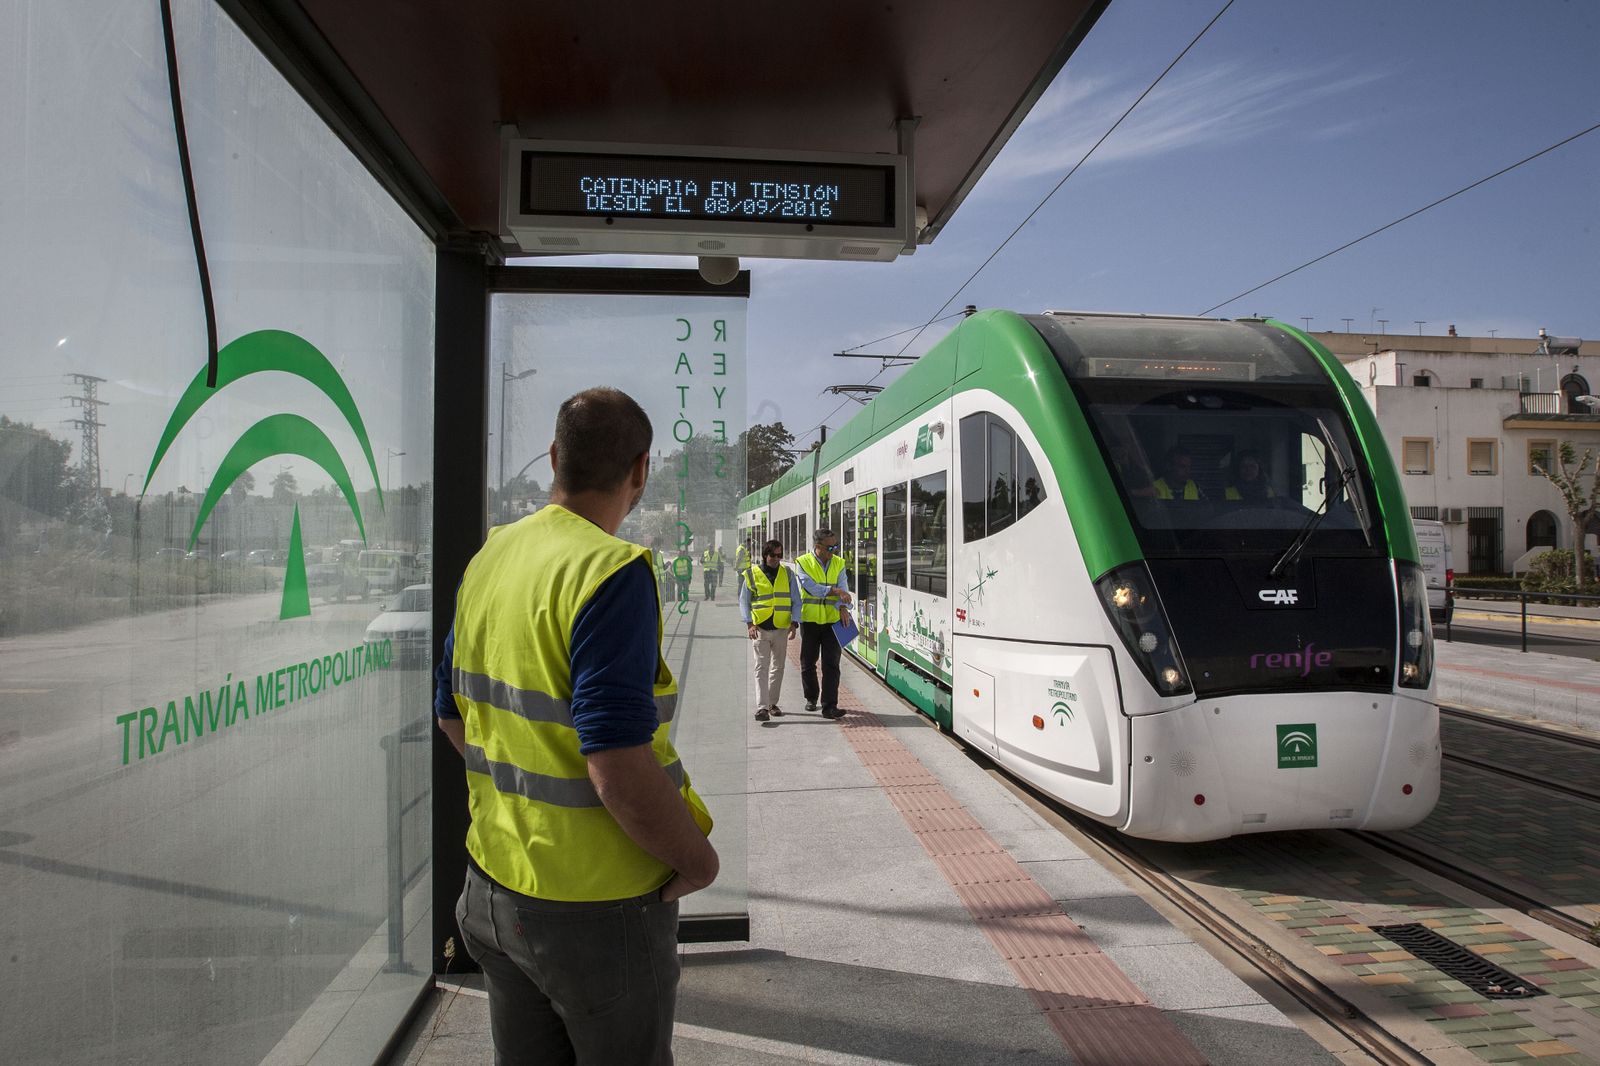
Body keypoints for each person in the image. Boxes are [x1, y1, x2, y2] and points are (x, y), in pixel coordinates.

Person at [433, 387, 718, 1066]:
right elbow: (616, 765)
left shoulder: (491, 556)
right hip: (597, 910)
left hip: (492, 888)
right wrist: (697, 859)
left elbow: (450, 714)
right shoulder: (610, 571)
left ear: (555, 457)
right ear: (641, 471)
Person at [794, 527, 852, 720]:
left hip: (832, 621)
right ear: (818, 546)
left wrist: (842, 607)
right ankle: (811, 697)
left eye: (836, 546)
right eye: (830, 547)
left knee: (831, 664)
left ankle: (830, 706)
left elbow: (844, 587)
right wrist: (835, 591)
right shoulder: (803, 562)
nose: (834, 551)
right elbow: (811, 588)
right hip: (810, 621)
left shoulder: (839, 563)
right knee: (808, 662)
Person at [740, 538, 800, 721]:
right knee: (761, 667)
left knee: (778, 667)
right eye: (773, 555)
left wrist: (794, 623)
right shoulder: (751, 574)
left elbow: (796, 600)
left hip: (781, 628)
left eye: (780, 555)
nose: (777, 559)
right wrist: (749, 624)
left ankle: (772, 704)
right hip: (760, 629)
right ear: (765, 555)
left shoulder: (787, 574)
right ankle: (762, 708)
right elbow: (744, 602)